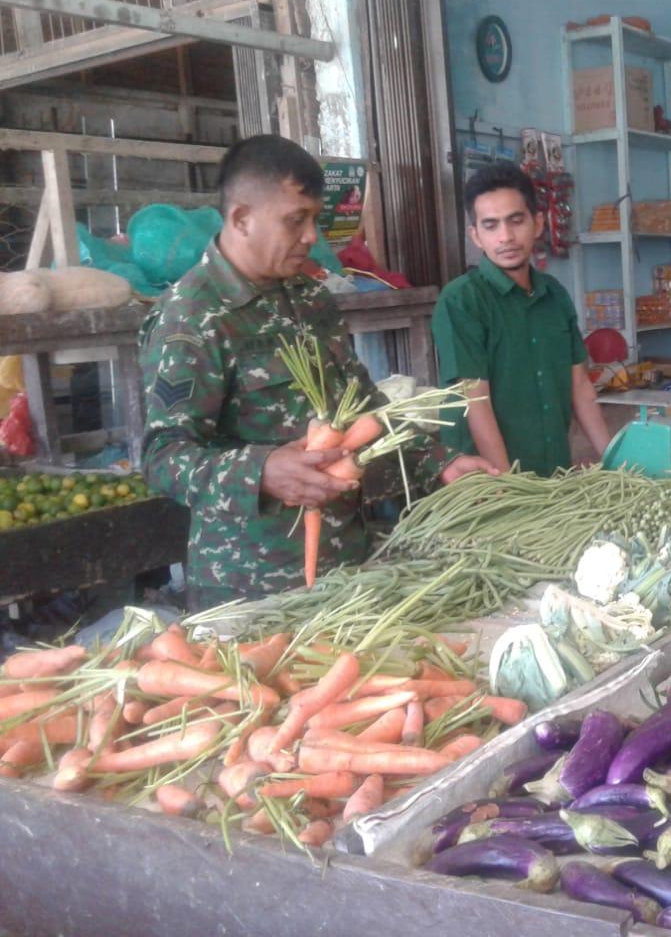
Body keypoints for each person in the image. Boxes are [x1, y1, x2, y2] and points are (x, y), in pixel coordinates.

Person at [140, 134, 493, 610]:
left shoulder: (310, 300)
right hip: (251, 589)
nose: (311, 237)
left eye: (313, 219)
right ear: (242, 218)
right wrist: (261, 470)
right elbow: (163, 457)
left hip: (346, 566)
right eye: (295, 220)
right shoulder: (191, 317)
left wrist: (439, 462)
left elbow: (366, 408)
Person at [432, 161, 611, 476]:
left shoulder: (554, 295)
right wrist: (510, 487)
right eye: (491, 225)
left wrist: (615, 462)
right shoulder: (461, 301)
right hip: (487, 485)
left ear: (537, 223)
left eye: (516, 221)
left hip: (551, 472)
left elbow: (580, 387)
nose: (506, 237)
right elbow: (476, 401)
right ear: (475, 235)